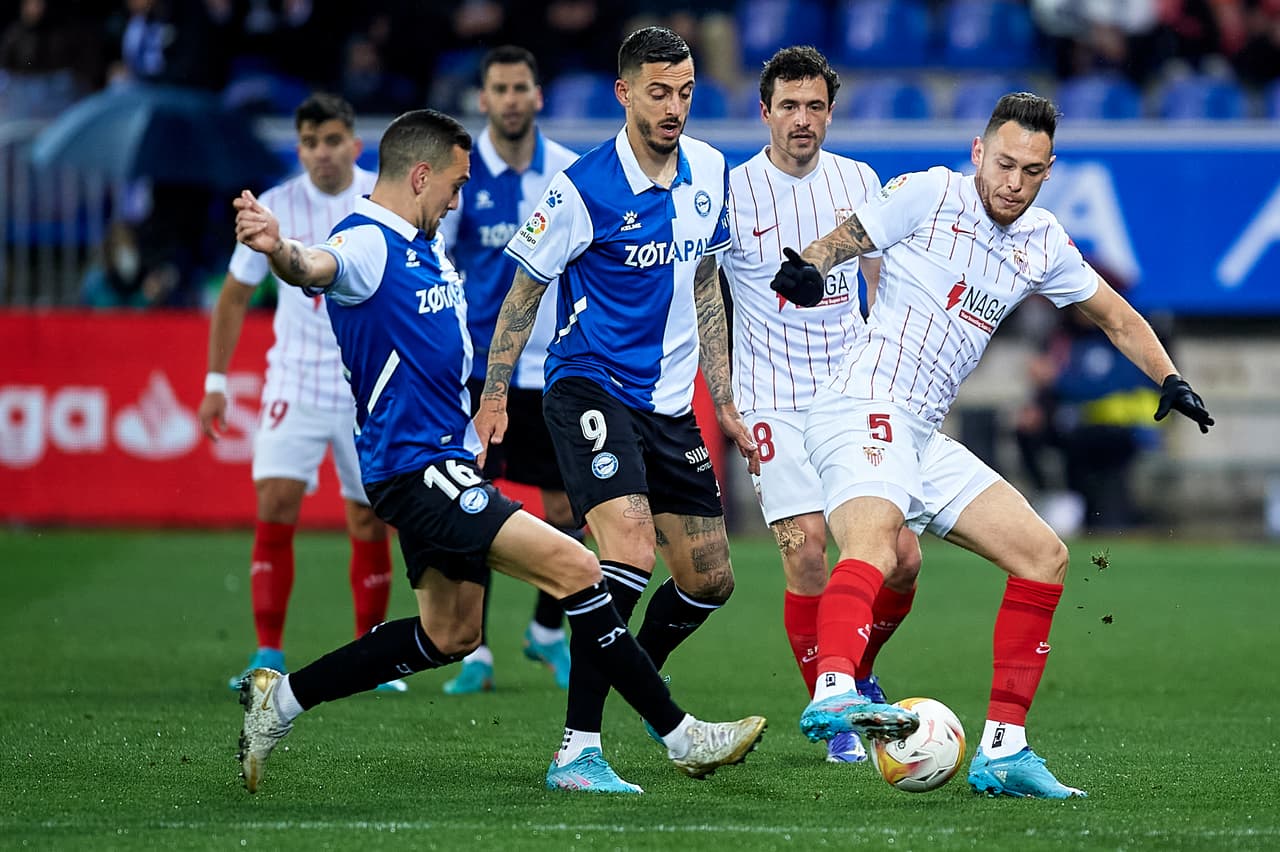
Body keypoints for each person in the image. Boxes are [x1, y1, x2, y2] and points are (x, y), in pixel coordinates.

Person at [230, 107, 766, 795]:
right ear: (420, 175)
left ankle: (279, 703)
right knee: (579, 566)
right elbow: (315, 265)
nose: (458, 199)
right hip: (417, 469)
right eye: (455, 184)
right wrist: (280, 248)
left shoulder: (424, 246)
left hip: (441, 462)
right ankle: (671, 737)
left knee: (449, 634)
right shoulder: (366, 244)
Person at [770, 91, 1215, 798]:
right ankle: (833, 691)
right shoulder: (932, 192)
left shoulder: (1042, 241)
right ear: (979, 152)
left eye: (1031, 171)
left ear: (1048, 170)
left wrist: (1170, 378)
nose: (1014, 182)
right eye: (1004, 164)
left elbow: (1116, 316)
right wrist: (812, 264)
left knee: (1043, 556)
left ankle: (1003, 751)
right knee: (876, 542)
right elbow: (851, 235)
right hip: (862, 404)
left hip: (923, 432)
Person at [474, 26, 760, 793]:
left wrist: (725, 399)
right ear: (624, 93)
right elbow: (523, 294)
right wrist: (494, 396)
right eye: (659, 93)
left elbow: (705, 287)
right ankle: (579, 751)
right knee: (628, 549)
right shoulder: (580, 188)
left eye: (686, 93)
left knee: (710, 580)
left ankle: (632, 670)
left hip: (670, 403)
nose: (674, 108)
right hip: (588, 385)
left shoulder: (711, 169)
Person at [719, 45, 924, 766]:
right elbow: (704, 295)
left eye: (814, 107)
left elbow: (882, 282)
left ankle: (857, 673)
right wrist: (722, 395)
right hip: (771, 399)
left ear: (831, 113)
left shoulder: (859, 180)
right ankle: (836, 713)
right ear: (764, 112)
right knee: (807, 552)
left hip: (853, 396)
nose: (801, 120)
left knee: (901, 558)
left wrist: (895, 377)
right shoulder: (733, 192)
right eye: (788, 106)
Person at [198, 93, 403, 695]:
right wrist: (214, 382)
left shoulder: (382, 199)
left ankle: (372, 653)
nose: (322, 153)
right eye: (311, 143)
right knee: (276, 506)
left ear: (354, 145)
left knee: (368, 518)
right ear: (299, 149)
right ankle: (267, 651)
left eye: (332, 140)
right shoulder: (275, 206)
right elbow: (234, 296)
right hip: (294, 379)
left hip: (364, 382)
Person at [435, 45, 579, 696]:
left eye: (522, 87)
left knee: (570, 504)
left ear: (537, 96)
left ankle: (547, 628)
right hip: (478, 369)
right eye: (500, 88)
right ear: (484, 99)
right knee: (473, 501)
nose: (512, 99)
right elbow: (437, 257)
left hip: (554, 366)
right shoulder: (462, 178)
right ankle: (478, 650)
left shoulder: (569, 173)